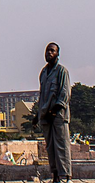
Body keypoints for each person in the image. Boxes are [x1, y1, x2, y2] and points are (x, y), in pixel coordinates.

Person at [32, 42, 72, 182]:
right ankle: (54, 175)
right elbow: (43, 95)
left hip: (58, 116)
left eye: (52, 51)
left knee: (61, 146)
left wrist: (54, 111)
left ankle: (65, 176)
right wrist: (37, 115)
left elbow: (65, 94)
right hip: (45, 116)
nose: (49, 53)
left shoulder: (62, 72)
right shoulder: (43, 73)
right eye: (47, 51)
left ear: (57, 54)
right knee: (50, 147)